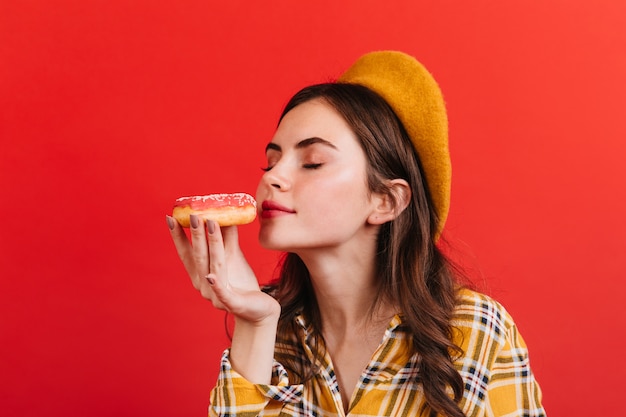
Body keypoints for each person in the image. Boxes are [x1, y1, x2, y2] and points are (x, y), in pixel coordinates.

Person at [166, 51, 546, 417]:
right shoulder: (272, 328)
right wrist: (254, 322)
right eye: (271, 161)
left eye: (312, 162)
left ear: (386, 201)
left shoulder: (471, 330)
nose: (272, 177)